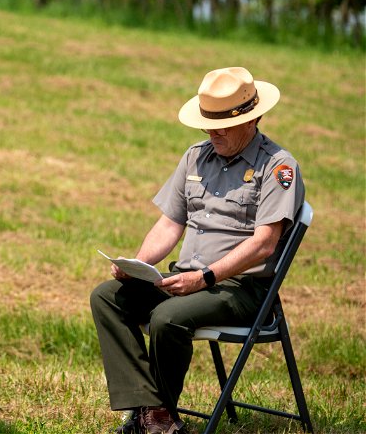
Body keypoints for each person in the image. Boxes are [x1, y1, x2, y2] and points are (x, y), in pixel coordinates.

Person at [90, 67, 305, 434]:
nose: (212, 131)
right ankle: (154, 413)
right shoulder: (195, 157)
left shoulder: (278, 167)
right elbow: (170, 223)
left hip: (241, 288)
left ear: (253, 120)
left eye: (222, 124)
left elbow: (264, 244)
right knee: (108, 297)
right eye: (208, 122)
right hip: (185, 278)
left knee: (167, 317)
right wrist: (139, 264)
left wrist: (205, 277)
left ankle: (152, 419)